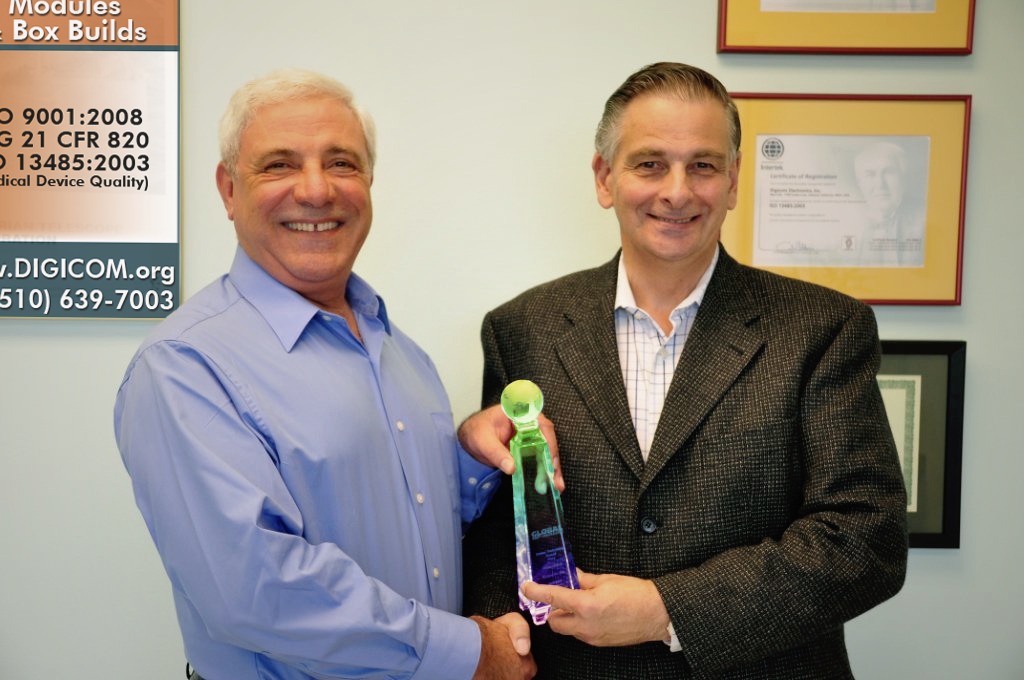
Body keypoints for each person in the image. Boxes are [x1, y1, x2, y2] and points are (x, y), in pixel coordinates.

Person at [462, 62, 908, 679]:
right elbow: (499, 528)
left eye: (703, 165)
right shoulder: (521, 329)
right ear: (605, 178)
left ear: (733, 180)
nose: (677, 191)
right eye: (650, 164)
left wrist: (666, 610)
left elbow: (866, 539)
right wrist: (499, 627)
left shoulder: (822, 328)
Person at [114, 68, 536, 680]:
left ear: (369, 182)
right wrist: (469, 653)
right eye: (279, 165)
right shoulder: (184, 366)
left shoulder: (403, 354)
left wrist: (471, 462)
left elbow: (413, 522)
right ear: (228, 190)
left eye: (341, 163)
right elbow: (258, 590)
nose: (316, 190)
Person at [849, 140, 926, 266]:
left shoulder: (925, 219)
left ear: (903, 179)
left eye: (889, 172)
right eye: (870, 175)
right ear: (859, 183)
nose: (880, 184)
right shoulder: (846, 224)